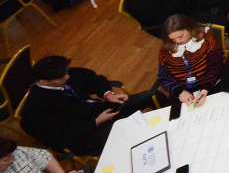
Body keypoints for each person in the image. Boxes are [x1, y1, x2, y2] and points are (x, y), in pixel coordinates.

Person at [19, 55, 154, 157]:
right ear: (43, 81)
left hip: (99, 110)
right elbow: (60, 138)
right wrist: (96, 122)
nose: (67, 77)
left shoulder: (63, 75)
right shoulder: (36, 110)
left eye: (66, 72)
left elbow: (93, 79)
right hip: (85, 136)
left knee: (150, 96)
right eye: (62, 76)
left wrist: (108, 95)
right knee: (130, 131)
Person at [157, 15, 224, 104]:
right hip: (183, 91)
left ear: (189, 28)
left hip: (210, 84)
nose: (177, 41)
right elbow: (163, 77)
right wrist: (180, 92)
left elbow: (216, 66)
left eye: (180, 36)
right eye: (173, 39)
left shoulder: (207, 38)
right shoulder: (165, 49)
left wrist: (205, 89)